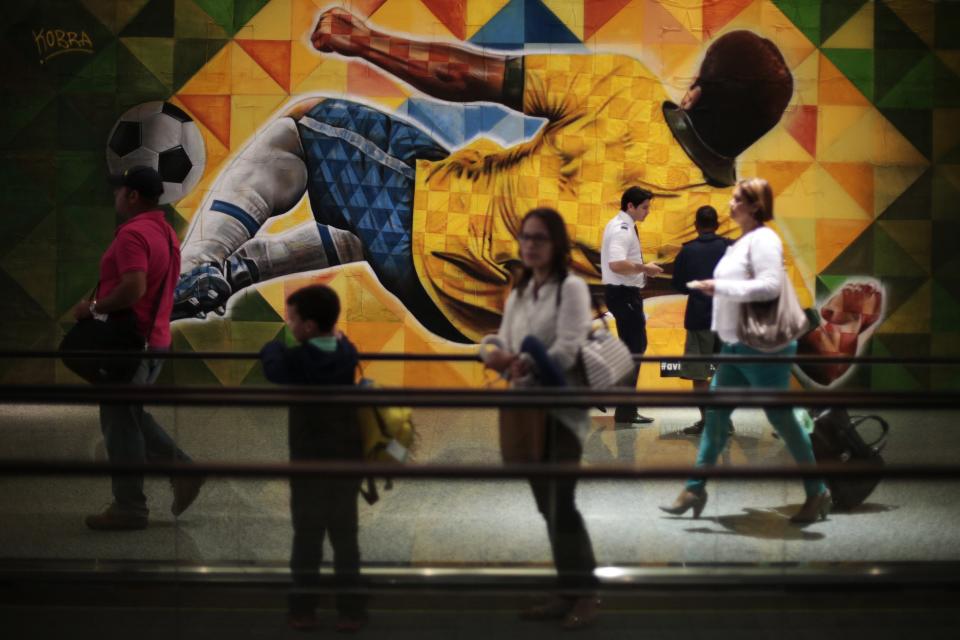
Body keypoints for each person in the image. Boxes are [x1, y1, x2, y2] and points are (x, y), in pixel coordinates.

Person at [172, 7, 794, 346]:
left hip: (434, 236)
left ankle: (200, 263)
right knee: (422, 174)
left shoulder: (624, 90)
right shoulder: (722, 239)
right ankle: (239, 273)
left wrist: (365, 41)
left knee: (308, 125)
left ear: (693, 93)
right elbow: (783, 319)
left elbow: (467, 76)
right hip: (479, 321)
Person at [659, 178, 830, 525]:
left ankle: (817, 491)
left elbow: (768, 286)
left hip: (763, 346)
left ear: (754, 206)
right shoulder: (739, 244)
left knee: (780, 417)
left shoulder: (764, 239)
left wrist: (720, 286)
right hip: (736, 344)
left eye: (738, 198)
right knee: (717, 416)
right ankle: (694, 488)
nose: (731, 203)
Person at [480, 208, 598, 629]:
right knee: (546, 505)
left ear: (557, 244)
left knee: (561, 503)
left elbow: (568, 348)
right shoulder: (518, 292)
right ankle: (566, 589)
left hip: (559, 411)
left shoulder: (572, 290)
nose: (529, 245)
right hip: (524, 407)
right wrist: (492, 353)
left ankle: (583, 593)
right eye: (525, 237)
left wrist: (525, 360)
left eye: (539, 238)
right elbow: (503, 340)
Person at [77, 166, 203, 531]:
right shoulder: (164, 231)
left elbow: (133, 288)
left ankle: (130, 506)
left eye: (118, 191)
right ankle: (182, 470)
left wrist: (94, 308)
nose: (115, 197)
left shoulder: (134, 234)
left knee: (120, 424)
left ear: (132, 195)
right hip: (155, 342)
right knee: (128, 414)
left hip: (131, 346)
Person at [260, 284, 368, 633]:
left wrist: (273, 345)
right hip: (346, 459)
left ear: (307, 326)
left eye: (291, 321)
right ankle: (351, 611)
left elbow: (273, 366)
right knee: (345, 537)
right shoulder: (347, 352)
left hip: (308, 460)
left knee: (307, 537)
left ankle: (303, 610)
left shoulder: (296, 357)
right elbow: (345, 344)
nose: (288, 326)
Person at [601, 187, 664, 427]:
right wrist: (645, 269)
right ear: (630, 206)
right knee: (634, 350)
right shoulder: (622, 229)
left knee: (633, 349)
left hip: (623, 294)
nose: (648, 212)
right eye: (645, 207)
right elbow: (616, 264)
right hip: (624, 294)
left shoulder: (617, 224)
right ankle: (625, 409)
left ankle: (625, 408)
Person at [671, 205, 732, 435]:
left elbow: (679, 285)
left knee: (698, 374)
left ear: (696, 226)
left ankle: (708, 420)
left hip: (698, 319)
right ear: (717, 225)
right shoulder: (729, 247)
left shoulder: (687, 251)